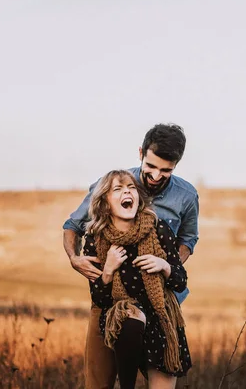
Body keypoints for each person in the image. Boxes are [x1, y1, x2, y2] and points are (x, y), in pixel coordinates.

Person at [62, 123, 199, 389]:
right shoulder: (115, 185)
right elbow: (73, 226)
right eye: (151, 166)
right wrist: (74, 259)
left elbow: (188, 240)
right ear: (141, 153)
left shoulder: (185, 196)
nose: (157, 176)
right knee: (99, 381)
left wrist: (164, 267)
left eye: (166, 170)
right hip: (110, 301)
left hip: (161, 304)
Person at [84, 169, 191, 389]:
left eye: (131, 187)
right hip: (124, 321)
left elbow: (180, 281)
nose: (127, 192)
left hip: (161, 319)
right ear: (105, 202)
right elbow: (99, 298)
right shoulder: (96, 239)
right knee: (130, 317)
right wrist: (108, 270)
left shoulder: (158, 229)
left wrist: (165, 266)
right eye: (118, 188)